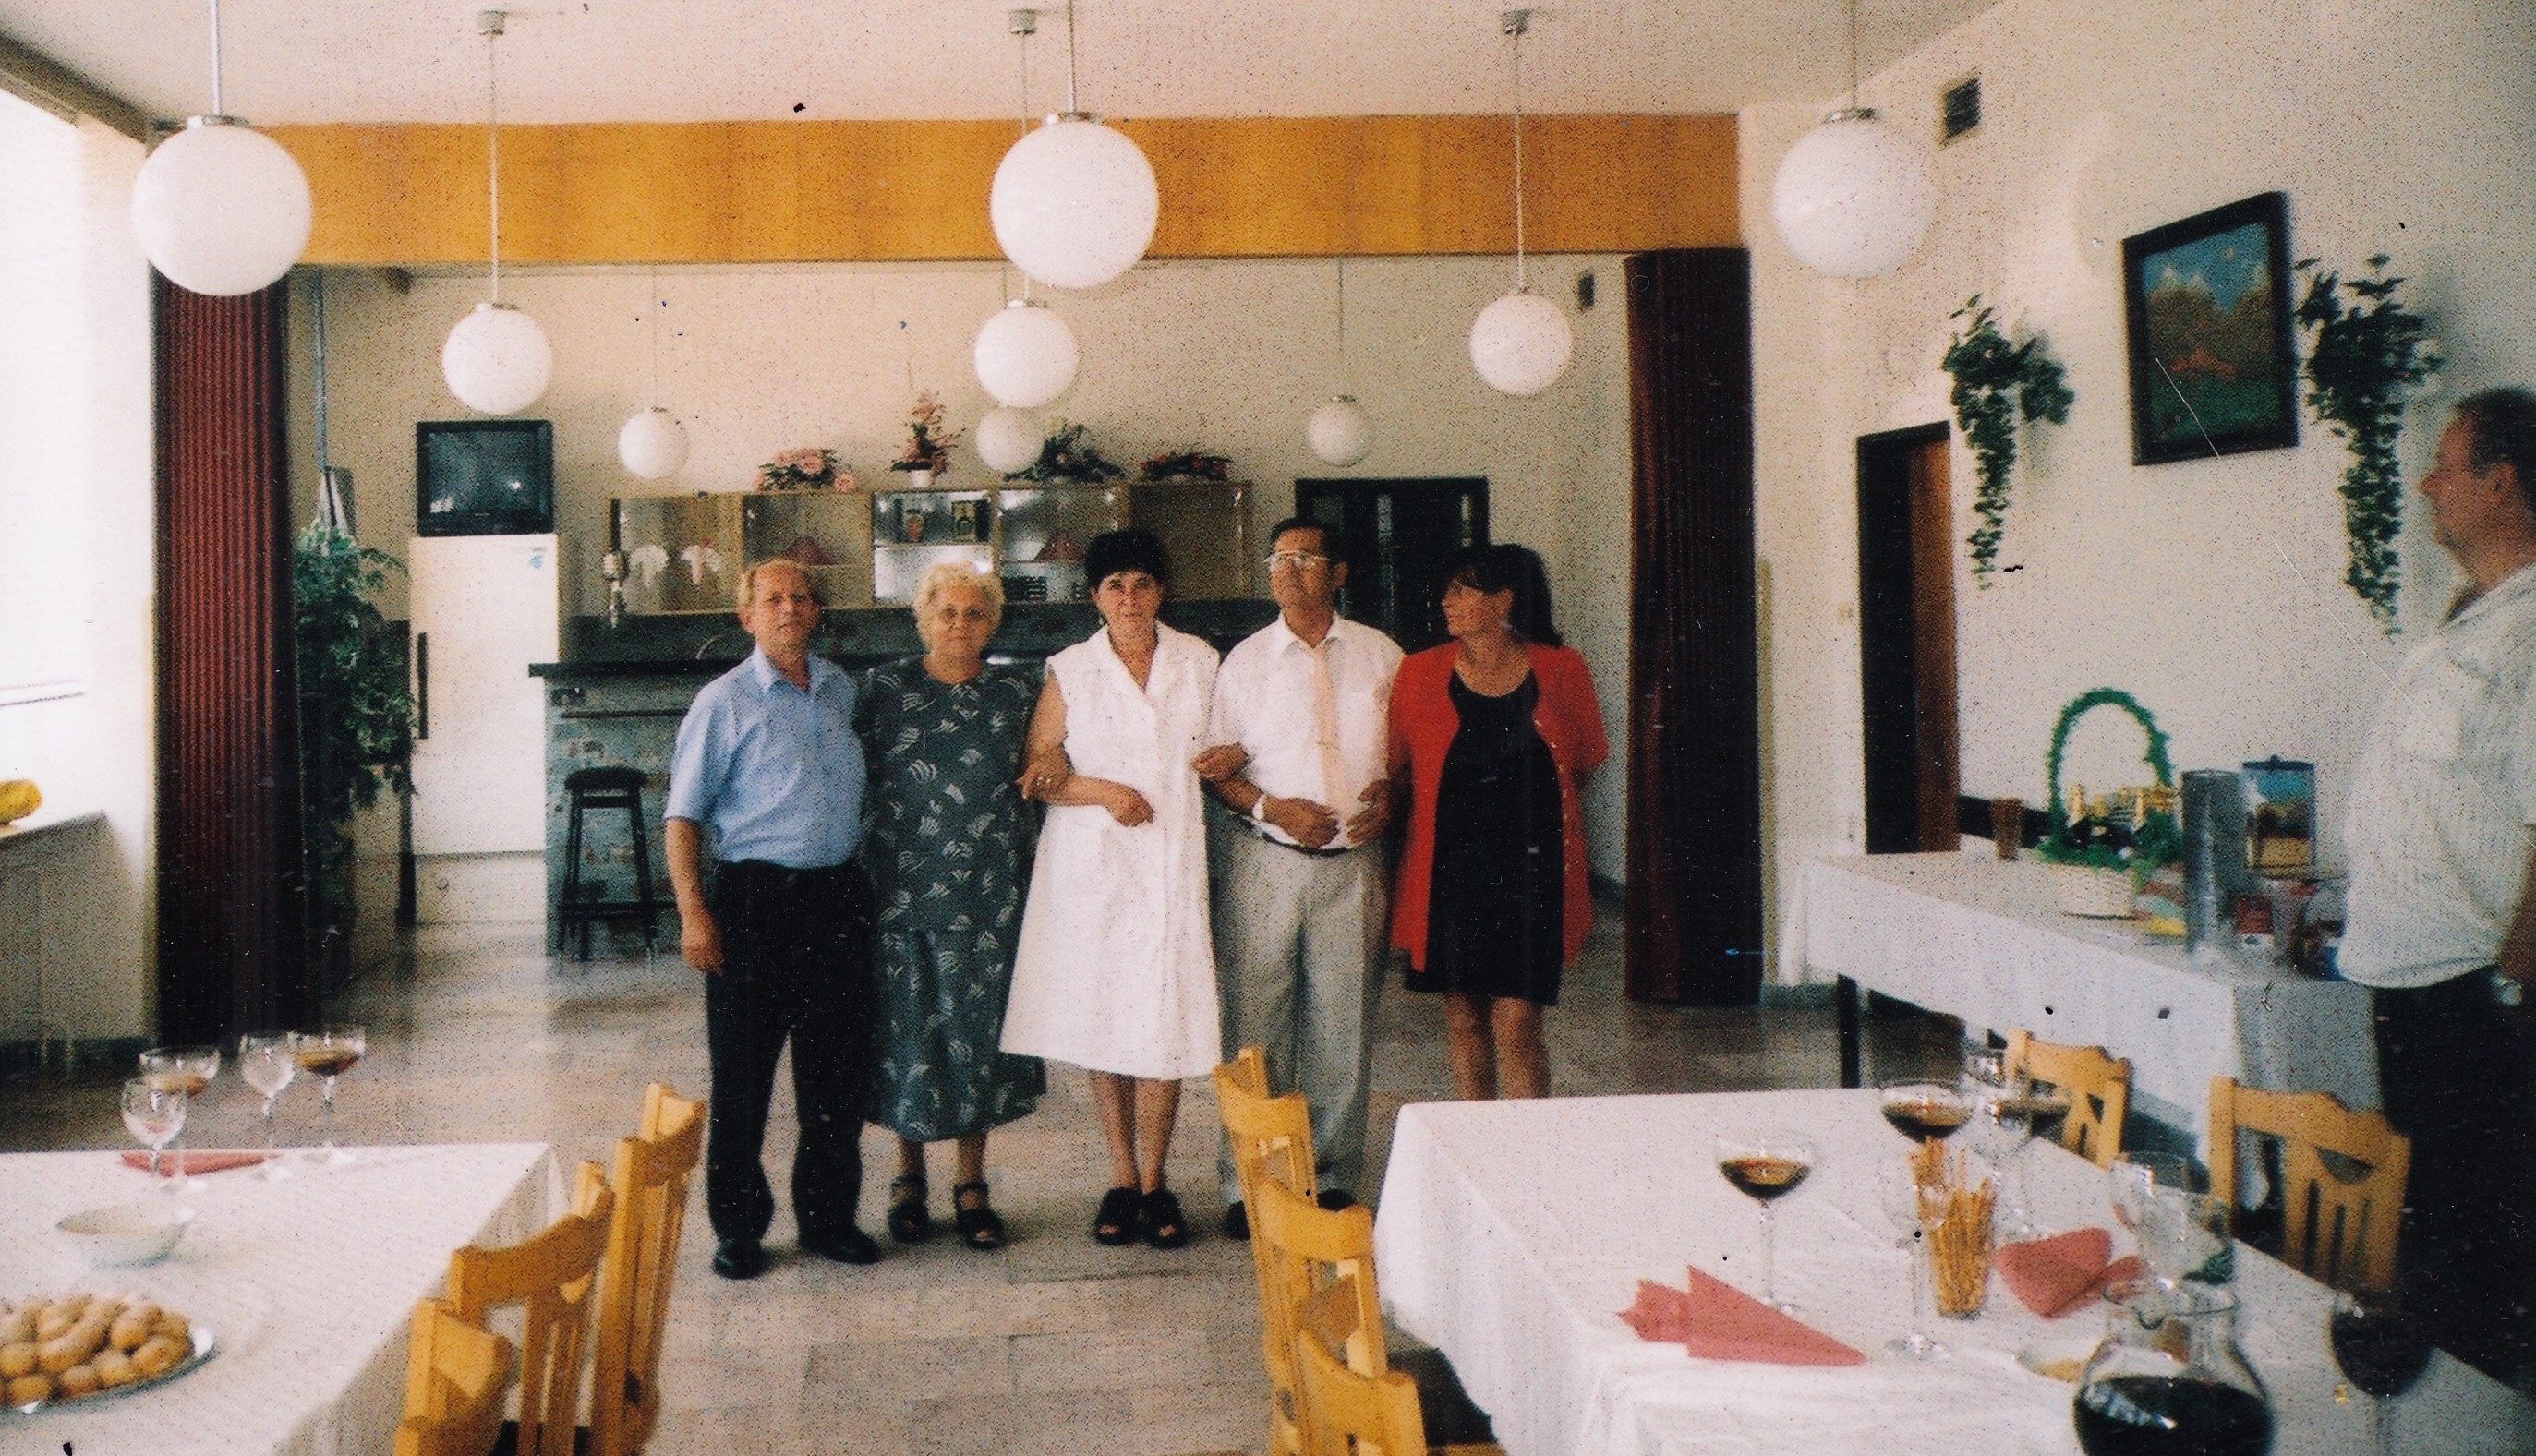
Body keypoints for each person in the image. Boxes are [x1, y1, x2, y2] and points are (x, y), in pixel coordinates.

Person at [2337, 387, 2536, 1386]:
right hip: (2409, 977)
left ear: (2500, 483)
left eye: (2445, 466)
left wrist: (2515, 983)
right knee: (2433, 1239)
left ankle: (2481, 1427)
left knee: (2477, 1256)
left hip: (2475, 991)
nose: (2424, 484)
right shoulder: (2465, 621)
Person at [1001, 530, 1222, 1248]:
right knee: (1105, 1015)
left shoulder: (1199, 660)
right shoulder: (1072, 668)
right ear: (1095, 596)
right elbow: (1039, 771)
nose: (1130, 598)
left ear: (1161, 591)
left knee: (1163, 1018)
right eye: (1115, 586)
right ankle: (1122, 1177)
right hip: (1094, 868)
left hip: (1170, 861)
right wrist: (1104, 790)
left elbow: (1227, 744)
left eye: (1142, 583)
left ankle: (1157, 1182)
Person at [665, 559, 878, 1280]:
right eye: (773, 598)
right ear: (747, 616)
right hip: (754, 903)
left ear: (816, 611)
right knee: (743, 1076)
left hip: (837, 899)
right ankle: (739, 1229)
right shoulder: (722, 701)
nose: (789, 608)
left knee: (834, 1076)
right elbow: (682, 817)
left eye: (800, 597)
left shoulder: (842, 690)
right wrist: (694, 912)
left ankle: (828, 1219)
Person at [1202, 518, 1404, 1237]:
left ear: (1338, 573)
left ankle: (1333, 1174)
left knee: (1343, 1022)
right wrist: (1272, 807)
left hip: (1355, 864)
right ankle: (1249, 1183)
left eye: (1306, 558)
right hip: (1266, 862)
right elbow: (1217, 770)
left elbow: (1407, 754)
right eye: (1278, 558)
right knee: (1254, 1024)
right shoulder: (1244, 662)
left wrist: (1392, 793)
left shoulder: (1382, 655)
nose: (1288, 570)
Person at [855, 563, 1046, 1252]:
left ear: (992, 622)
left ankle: (971, 1182)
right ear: (924, 619)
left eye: (974, 613)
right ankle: (907, 1177)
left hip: (988, 891)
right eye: (947, 612)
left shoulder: (1018, 691)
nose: (960, 624)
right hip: (899, 887)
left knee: (976, 1030)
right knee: (906, 1031)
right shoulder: (882, 689)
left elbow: (1047, 763)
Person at [1387, 543, 1607, 1101]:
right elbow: (1399, 765)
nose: (1447, 600)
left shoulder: (1562, 667)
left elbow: (1582, 762)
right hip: (1451, 875)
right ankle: (1475, 1139)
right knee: (1464, 1022)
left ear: (1504, 598)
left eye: (1462, 590)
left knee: (1519, 1028)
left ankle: (1527, 1148)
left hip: (1530, 877)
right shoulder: (1418, 671)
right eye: (1448, 590)